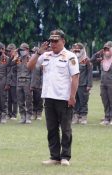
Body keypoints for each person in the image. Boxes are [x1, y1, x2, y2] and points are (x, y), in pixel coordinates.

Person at [27, 29, 79, 166]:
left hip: (64, 98)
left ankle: (65, 157)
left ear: (63, 41)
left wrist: (72, 96)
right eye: (51, 41)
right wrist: (39, 51)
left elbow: (75, 77)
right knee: (51, 129)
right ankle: (54, 157)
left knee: (66, 129)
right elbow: (29, 66)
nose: (53, 44)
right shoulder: (46, 55)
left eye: (56, 41)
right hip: (49, 98)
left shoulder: (70, 56)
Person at [91, 41, 112, 125]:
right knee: (105, 101)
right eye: (105, 49)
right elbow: (92, 60)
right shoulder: (102, 59)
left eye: (108, 49)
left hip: (111, 83)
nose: (106, 51)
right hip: (103, 83)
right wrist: (98, 53)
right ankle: (106, 117)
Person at [71, 43, 92, 125]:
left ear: (82, 50)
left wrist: (89, 85)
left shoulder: (86, 60)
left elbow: (89, 73)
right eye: (75, 50)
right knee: (75, 101)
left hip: (83, 84)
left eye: (78, 50)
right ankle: (76, 116)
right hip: (73, 84)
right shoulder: (72, 60)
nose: (77, 51)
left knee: (83, 101)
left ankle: (83, 117)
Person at [14, 43, 33, 124]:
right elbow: (11, 67)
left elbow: (33, 72)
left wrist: (32, 84)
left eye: (23, 50)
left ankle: (28, 116)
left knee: (28, 99)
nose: (21, 51)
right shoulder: (18, 59)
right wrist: (14, 57)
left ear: (27, 50)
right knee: (20, 100)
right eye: (20, 50)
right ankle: (22, 116)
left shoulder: (31, 59)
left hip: (27, 81)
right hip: (19, 81)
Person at [30, 47, 44, 120]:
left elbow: (42, 75)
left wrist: (42, 84)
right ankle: (33, 112)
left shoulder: (40, 63)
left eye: (34, 52)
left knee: (39, 99)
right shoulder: (30, 62)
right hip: (32, 84)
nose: (33, 54)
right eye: (32, 52)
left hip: (39, 84)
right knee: (33, 99)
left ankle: (39, 113)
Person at [5, 43, 18, 120]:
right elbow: (7, 66)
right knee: (8, 99)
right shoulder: (8, 58)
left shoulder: (18, 58)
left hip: (14, 81)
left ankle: (14, 114)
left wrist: (15, 57)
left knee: (14, 99)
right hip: (8, 81)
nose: (9, 52)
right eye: (8, 51)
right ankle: (9, 114)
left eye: (10, 51)